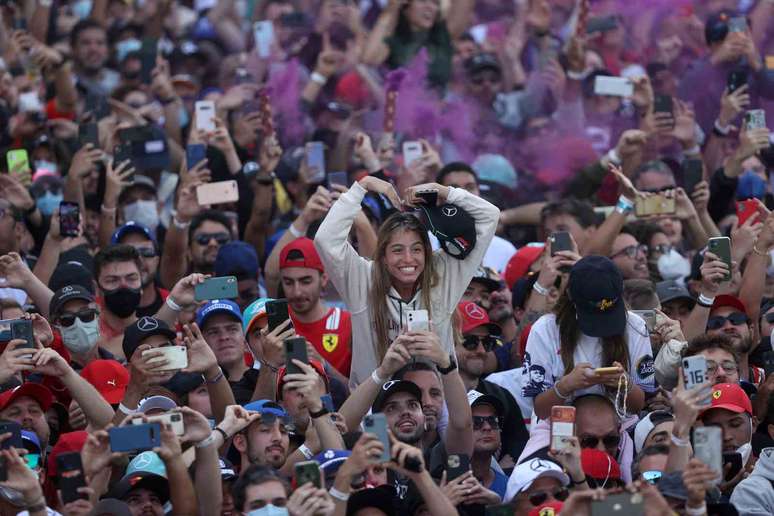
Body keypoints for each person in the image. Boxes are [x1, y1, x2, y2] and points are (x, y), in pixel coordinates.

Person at [314, 175, 499, 386]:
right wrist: (363, 186)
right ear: (382, 256)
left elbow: (490, 215)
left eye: (417, 249)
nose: (408, 259)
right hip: (376, 411)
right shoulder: (363, 279)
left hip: (434, 409)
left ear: (427, 253)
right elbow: (325, 240)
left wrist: (443, 191)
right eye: (397, 250)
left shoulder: (444, 274)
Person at [524, 256, 652, 421]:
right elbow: (541, 411)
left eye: (608, 315)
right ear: (570, 295)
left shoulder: (636, 326)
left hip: (618, 428)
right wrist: (566, 385)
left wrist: (625, 383)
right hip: (557, 427)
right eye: (594, 315)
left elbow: (639, 406)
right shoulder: (544, 330)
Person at [279, 237, 353, 379]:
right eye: (288, 282)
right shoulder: (271, 325)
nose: (297, 292)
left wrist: (322, 365)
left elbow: (360, 394)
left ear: (324, 278)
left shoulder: (348, 324)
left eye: (305, 281)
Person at [111, 222, 168, 318]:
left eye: (146, 252)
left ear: (157, 260)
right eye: (127, 253)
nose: (139, 260)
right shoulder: (97, 311)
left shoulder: (175, 303)